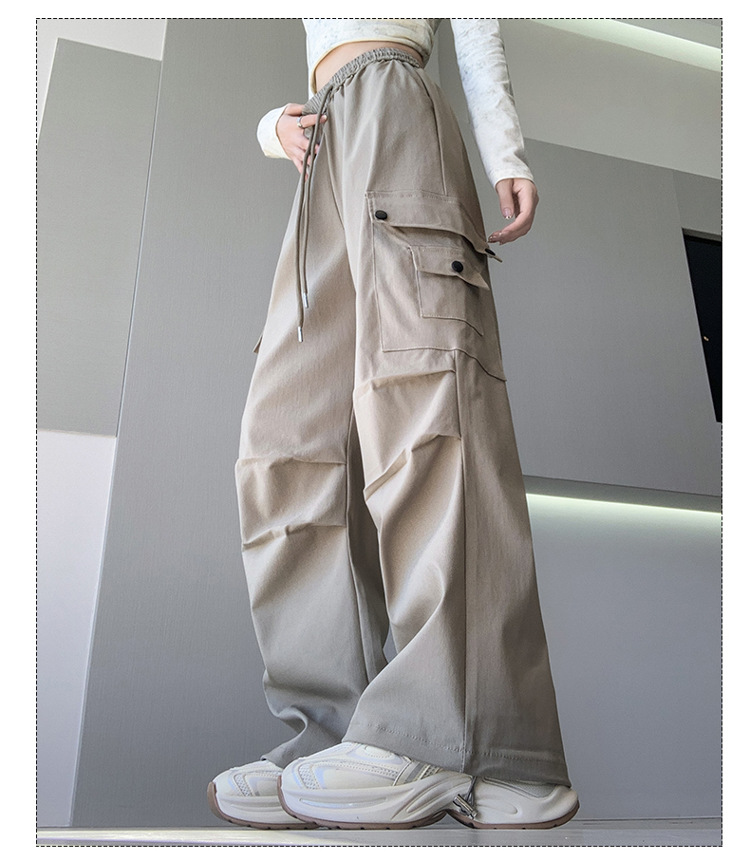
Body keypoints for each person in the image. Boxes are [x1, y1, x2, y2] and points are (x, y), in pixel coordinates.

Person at [208, 18, 578, 831]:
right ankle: (331, 729)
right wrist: (272, 129)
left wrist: (506, 155)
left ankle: (468, 737)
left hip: (396, 104)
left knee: (425, 393)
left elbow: (476, 27)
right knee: (290, 443)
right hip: (323, 138)